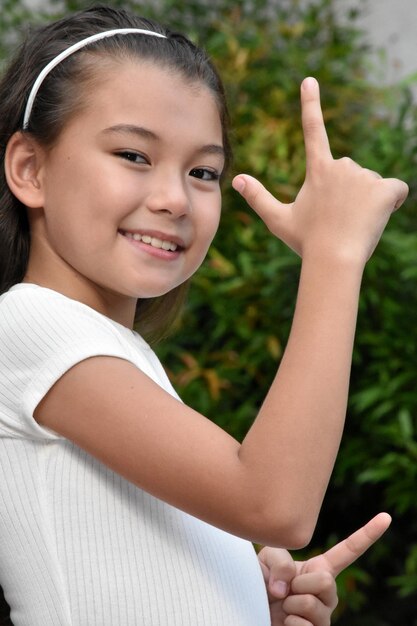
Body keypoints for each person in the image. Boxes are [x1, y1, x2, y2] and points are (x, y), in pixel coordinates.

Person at [0, 5, 408, 626]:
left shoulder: (114, 355)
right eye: (134, 155)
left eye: (203, 172)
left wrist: (244, 599)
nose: (173, 199)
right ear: (30, 168)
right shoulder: (29, 324)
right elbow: (275, 505)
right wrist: (334, 255)